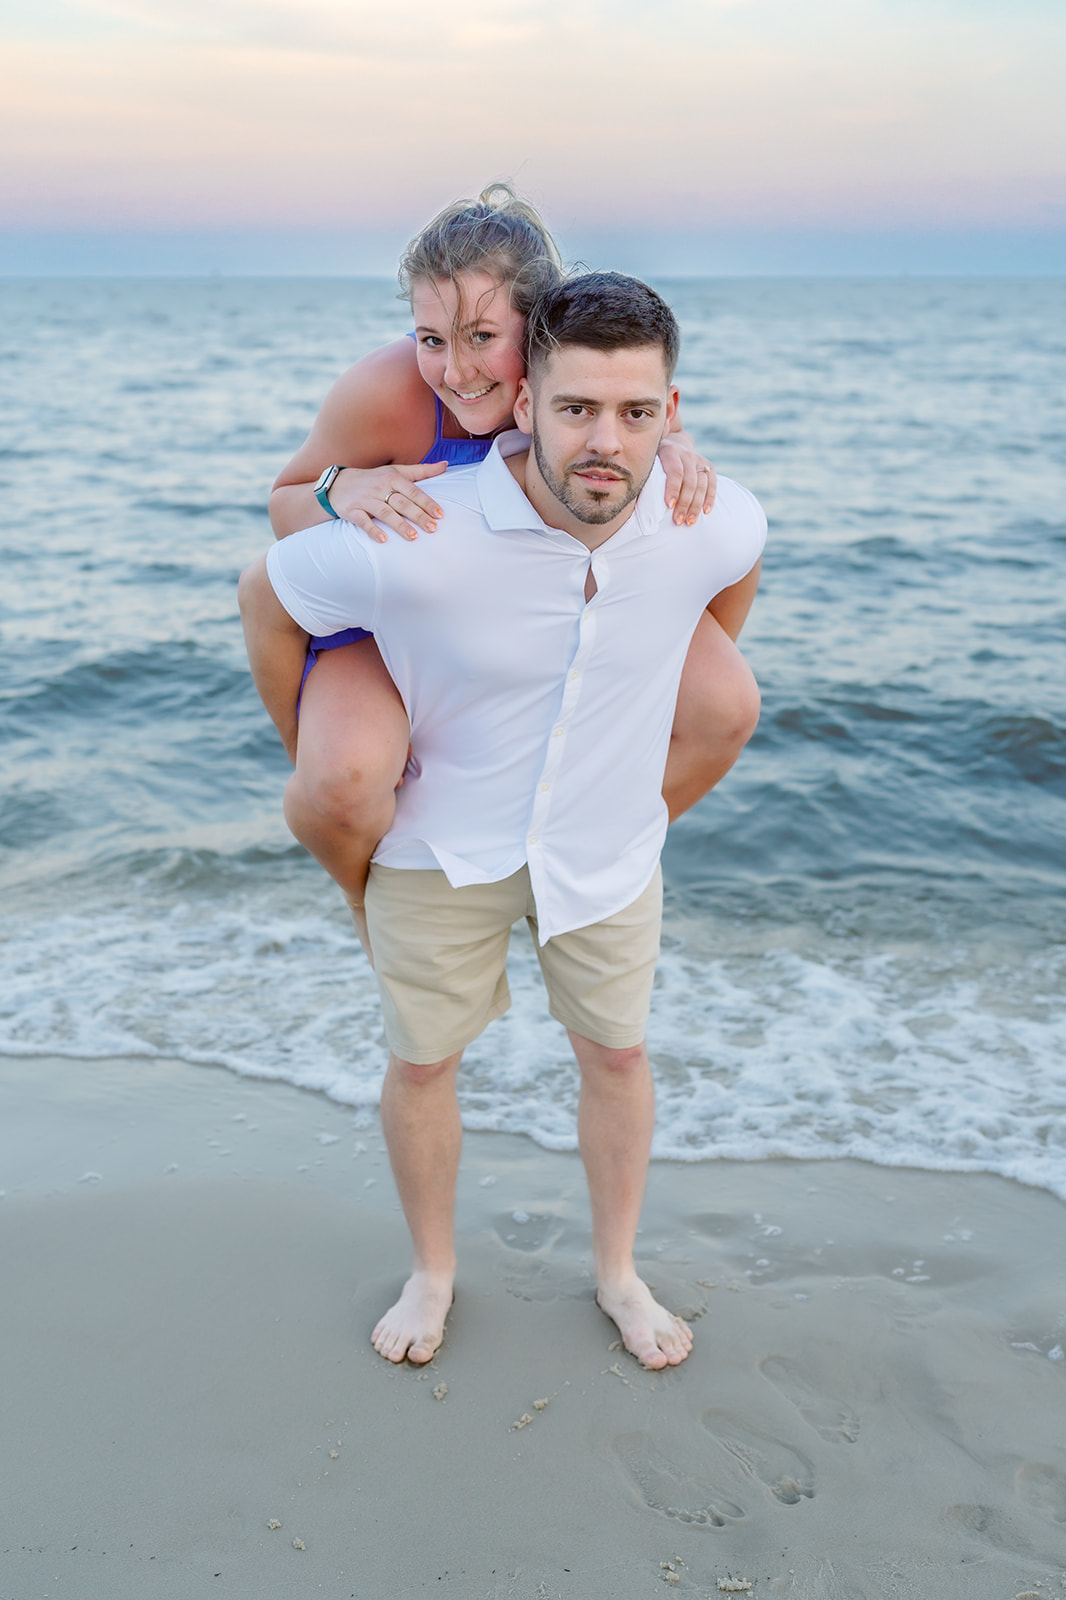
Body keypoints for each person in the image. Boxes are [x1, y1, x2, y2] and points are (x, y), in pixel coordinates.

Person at [239, 272, 766, 1369]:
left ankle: (617, 1273)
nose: (604, 442)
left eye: (634, 413)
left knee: (616, 1057)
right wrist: (316, 749)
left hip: (607, 856)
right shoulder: (421, 532)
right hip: (440, 845)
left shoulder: (707, 516)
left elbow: (731, 572)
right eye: (576, 409)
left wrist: (668, 659)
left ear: (674, 413)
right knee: (424, 1064)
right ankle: (432, 1271)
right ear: (523, 404)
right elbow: (274, 590)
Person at [267, 188, 760, 949]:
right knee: (343, 781)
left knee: (725, 702)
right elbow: (287, 501)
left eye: (481, 336)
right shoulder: (391, 388)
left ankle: (565, 861)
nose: (455, 369)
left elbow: (670, 466)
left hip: (535, 603)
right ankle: (367, 901)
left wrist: (679, 450)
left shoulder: (590, 389)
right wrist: (341, 489)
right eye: (431, 336)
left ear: (541, 329)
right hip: (393, 610)